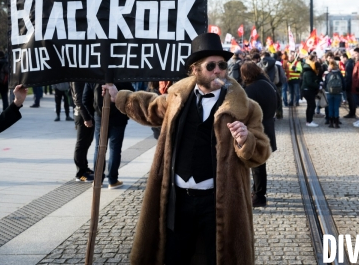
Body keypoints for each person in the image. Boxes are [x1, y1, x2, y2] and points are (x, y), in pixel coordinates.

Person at [104, 32, 271, 265]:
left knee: (218, 258)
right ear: (195, 69)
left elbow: (262, 151)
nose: (218, 70)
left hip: (218, 203)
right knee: (174, 256)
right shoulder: (177, 97)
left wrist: (246, 141)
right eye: (210, 65)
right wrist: (118, 97)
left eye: (222, 65)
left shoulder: (245, 108)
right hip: (177, 198)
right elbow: (150, 107)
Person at [240, 61, 277, 207]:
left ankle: (260, 196)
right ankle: (257, 191)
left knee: (257, 165)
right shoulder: (269, 84)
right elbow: (278, 104)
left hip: (256, 129)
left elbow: (245, 111)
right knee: (259, 164)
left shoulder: (251, 89)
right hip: (268, 126)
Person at [88, 80, 133, 189]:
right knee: (115, 149)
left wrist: (90, 116)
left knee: (99, 148)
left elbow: (86, 97)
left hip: (100, 116)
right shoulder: (122, 76)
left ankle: (97, 180)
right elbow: (131, 96)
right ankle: (112, 180)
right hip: (118, 118)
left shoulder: (96, 75)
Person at [70, 82, 95, 182]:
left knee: (86, 143)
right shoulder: (76, 79)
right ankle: (80, 174)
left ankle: (85, 168)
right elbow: (78, 99)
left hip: (88, 114)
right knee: (81, 144)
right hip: (82, 115)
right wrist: (86, 117)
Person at [323, 59, 345, 128]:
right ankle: (336, 123)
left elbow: (325, 84)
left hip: (329, 92)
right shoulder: (339, 73)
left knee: (330, 107)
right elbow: (343, 83)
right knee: (336, 107)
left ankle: (331, 123)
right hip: (338, 93)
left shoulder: (328, 74)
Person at [301, 54, 320, 127]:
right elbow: (309, 82)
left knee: (310, 105)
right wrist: (318, 86)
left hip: (307, 90)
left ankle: (308, 121)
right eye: (315, 59)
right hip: (307, 90)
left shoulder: (309, 70)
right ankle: (309, 121)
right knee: (312, 105)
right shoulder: (309, 71)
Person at [340, 53, 356, 119]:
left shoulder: (348, 64)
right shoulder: (351, 63)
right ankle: (352, 112)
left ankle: (351, 113)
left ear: (345, 58)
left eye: (341, 59)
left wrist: (346, 85)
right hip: (352, 84)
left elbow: (348, 76)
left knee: (350, 99)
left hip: (350, 85)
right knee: (351, 99)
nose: (341, 60)